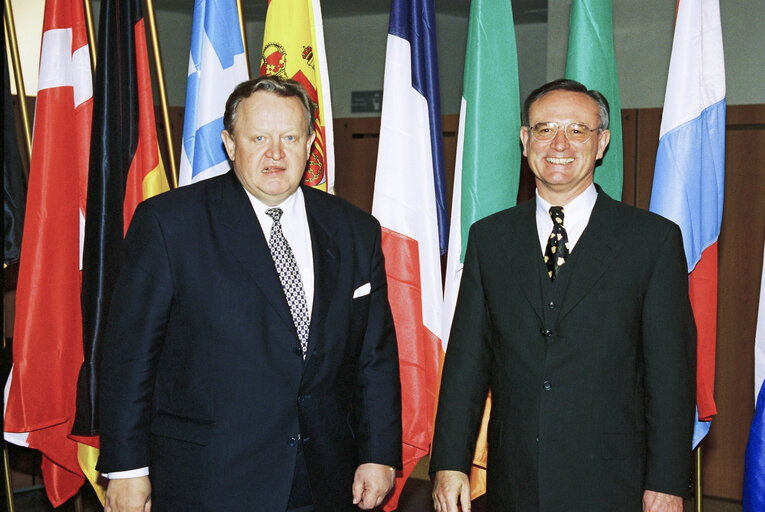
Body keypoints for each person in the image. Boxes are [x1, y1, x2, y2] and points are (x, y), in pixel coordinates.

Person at [97, 76, 402, 512]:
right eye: (258, 137)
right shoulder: (169, 225)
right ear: (229, 143)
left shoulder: (354, 230)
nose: (275, 153)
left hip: (326, 481)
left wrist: (378, 453)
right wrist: (127, 470)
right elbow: (130, 357)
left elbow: (375, 357)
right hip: (211, 481)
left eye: (290, 137)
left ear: (310, 141)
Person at [430, 79, 696, 512]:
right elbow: (466, 363)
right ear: (524, 139)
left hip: (614, 481)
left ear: (602, 142)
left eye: (577, 131)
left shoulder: (652, 242)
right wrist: (449, 462)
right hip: (513, 481)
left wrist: (666, 481)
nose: (559, 144)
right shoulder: (490, 239)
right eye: (544, 128)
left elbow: (671, 376)